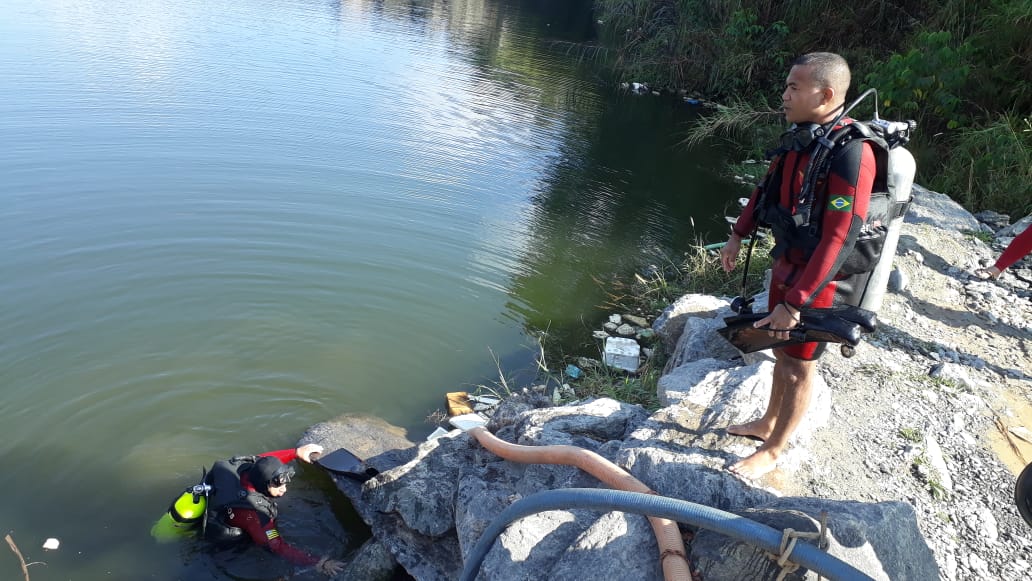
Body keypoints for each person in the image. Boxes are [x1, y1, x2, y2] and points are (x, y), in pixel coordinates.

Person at [719, 52, 877, 479]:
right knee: (780, 352)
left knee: (800, 364)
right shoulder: (802, 137)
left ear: (825, 95)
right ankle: (769, 422)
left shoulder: (852, 154)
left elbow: (841, 235)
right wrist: (738, 234)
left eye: (794, 87)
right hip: (787, 261)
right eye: (786, 86)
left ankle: (775, 448)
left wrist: (798, 301)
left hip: (820, 279)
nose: (784, 94)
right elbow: (765, 188)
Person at [204, 443, 345, 577]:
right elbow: (277, 546)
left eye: (284, 484)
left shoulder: (248, 469)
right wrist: (319, 563)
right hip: (228, 544)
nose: (284, 489)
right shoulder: (257, 515)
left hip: (223, 502)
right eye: (278, 486)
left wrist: (296, 452)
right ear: (264, 485)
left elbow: (266, 462)